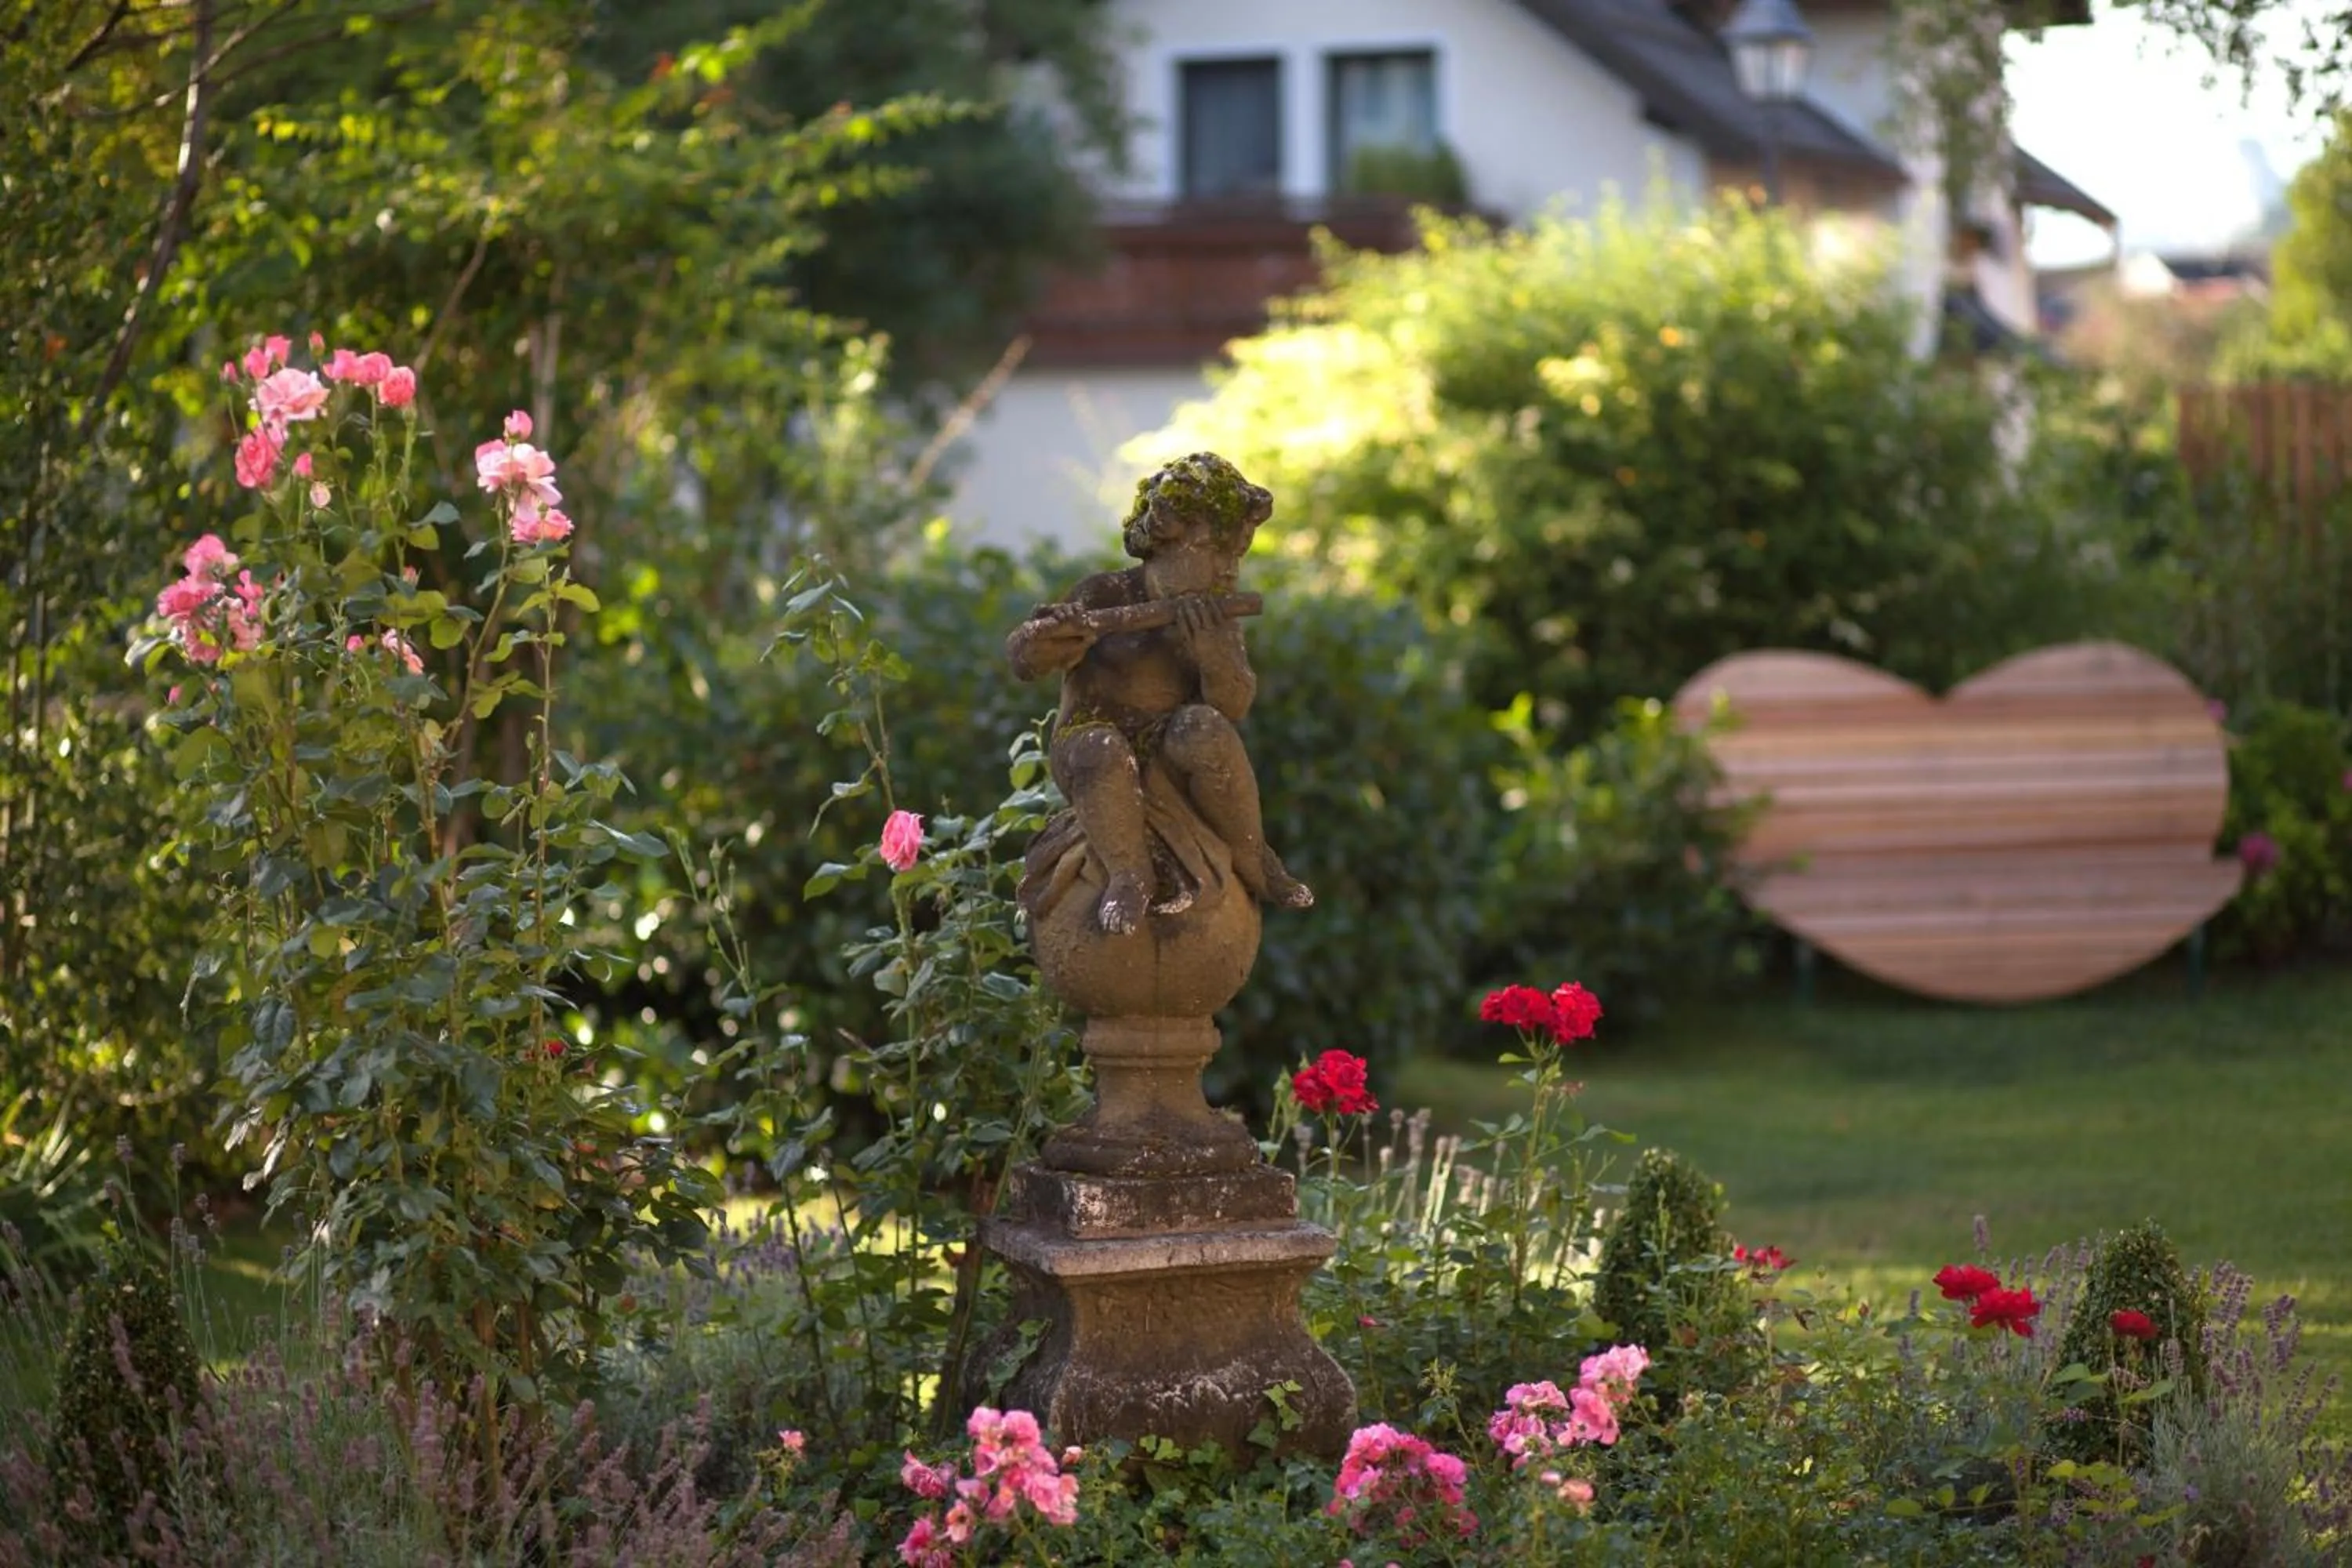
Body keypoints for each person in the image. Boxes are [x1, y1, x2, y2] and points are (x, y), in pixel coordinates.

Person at [1007, 452, 1313, 935]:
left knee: (1206, 728)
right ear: (1165, 540)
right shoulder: (1102, 594)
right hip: (1092, 747)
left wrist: (1214, 654)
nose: (1229, 569)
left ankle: (1254, 854)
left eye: (1237, 554)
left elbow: (1233, 705)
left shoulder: (1217, 616)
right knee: (1100, 747)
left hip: (1171, 747)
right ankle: (1129, 875)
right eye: (1216, 551)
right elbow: (1026, 661)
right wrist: (1046, 642)